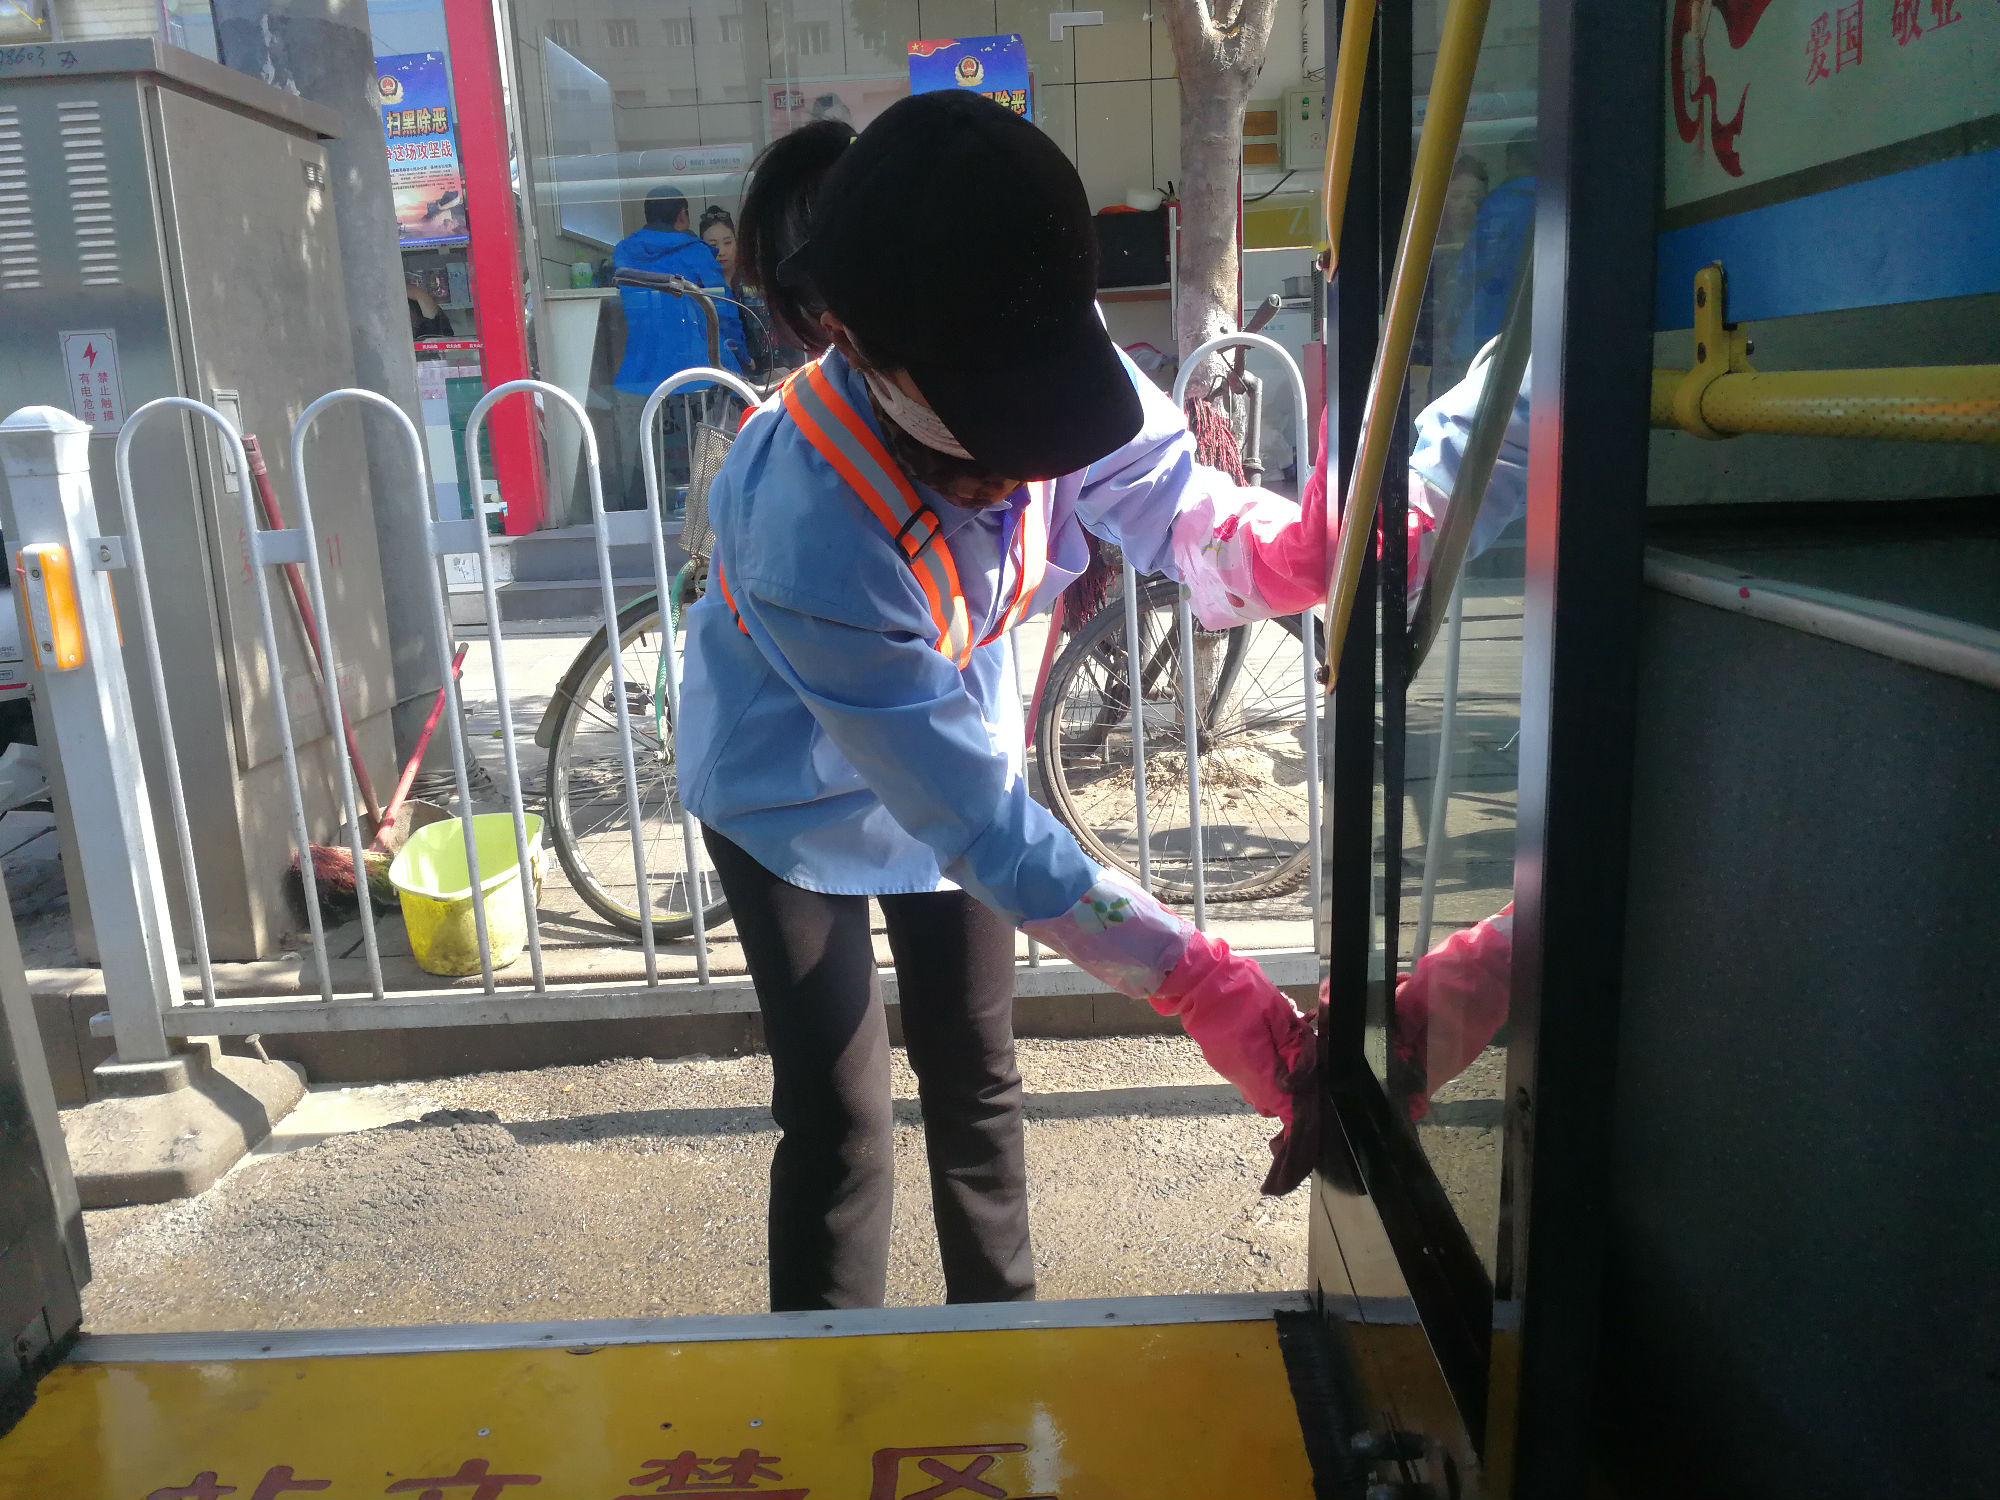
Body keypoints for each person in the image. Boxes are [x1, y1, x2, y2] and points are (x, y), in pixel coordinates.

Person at [677, 94, 1339, 1312]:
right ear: (867, 355)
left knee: (978, 1080)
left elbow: (1161, 488)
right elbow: (980, 827)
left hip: (950, 740)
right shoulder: (803, 521)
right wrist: (1198, 981)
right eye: (995, 439)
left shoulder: (1030, 342)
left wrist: (1285, 554)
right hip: (785, 792)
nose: (1030, 467)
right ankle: (832, 1386)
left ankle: (1003, 1354)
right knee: (838, 1115)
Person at [610, 185, 746, 508]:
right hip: (697, 371)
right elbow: (723, 310)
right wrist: (741, 356)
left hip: (642, 373)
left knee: (651, 446)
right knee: (706, 444)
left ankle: (652, 508)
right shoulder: (697, 252)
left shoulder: (624, 251)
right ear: (682, 215)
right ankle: (705, 509)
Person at [698, 205, 774, 381]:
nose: (721, 251)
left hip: (763, 370)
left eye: (727, 242)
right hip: (717, 373)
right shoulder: (698, 286)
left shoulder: (756, 280)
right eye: (712, 245)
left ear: (737, 242)